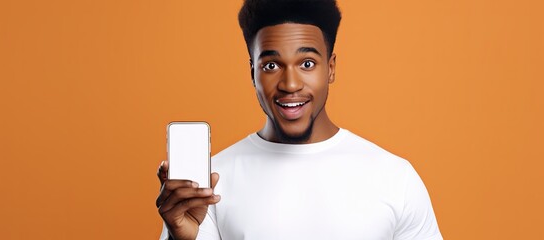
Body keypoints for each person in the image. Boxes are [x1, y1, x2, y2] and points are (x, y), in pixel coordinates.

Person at [156, 0, 443, 239]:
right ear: (252, 72)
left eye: (307, 63)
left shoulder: (395, 178)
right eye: (271, 65)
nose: (290, 84)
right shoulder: (209, 185)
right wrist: (179, 236)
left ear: (330, 68)